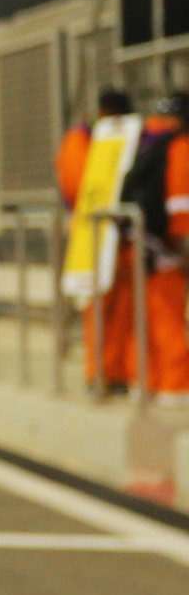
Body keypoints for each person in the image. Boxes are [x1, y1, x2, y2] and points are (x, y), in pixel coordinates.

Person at [112, 93, 189, 397]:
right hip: (163, 246)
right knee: (167, 314)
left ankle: (143, 380)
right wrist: (181, 242)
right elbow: (181, 203)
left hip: (136, 240)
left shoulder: (143, 141)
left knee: (142, 317)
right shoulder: (178, 146)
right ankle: (175, 384)